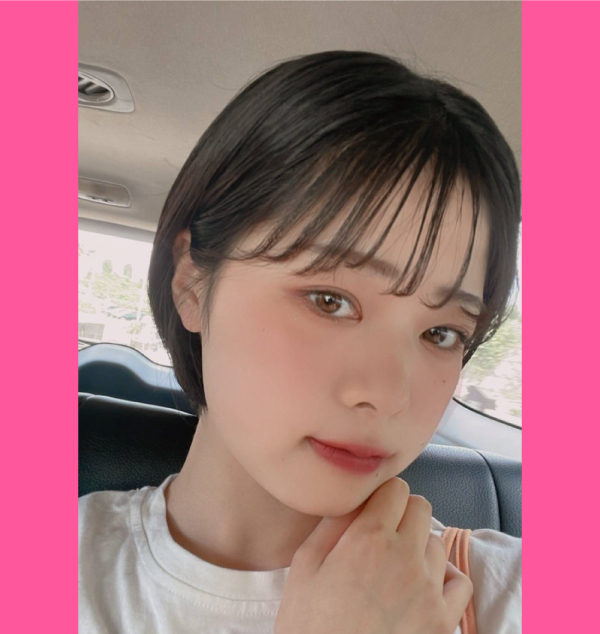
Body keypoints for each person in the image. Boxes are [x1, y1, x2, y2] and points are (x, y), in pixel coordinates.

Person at [79, 50, 521, 634]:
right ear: (190, 281)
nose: (388, 395)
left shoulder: (509, 592)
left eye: (441, 333)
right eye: (330, 300)